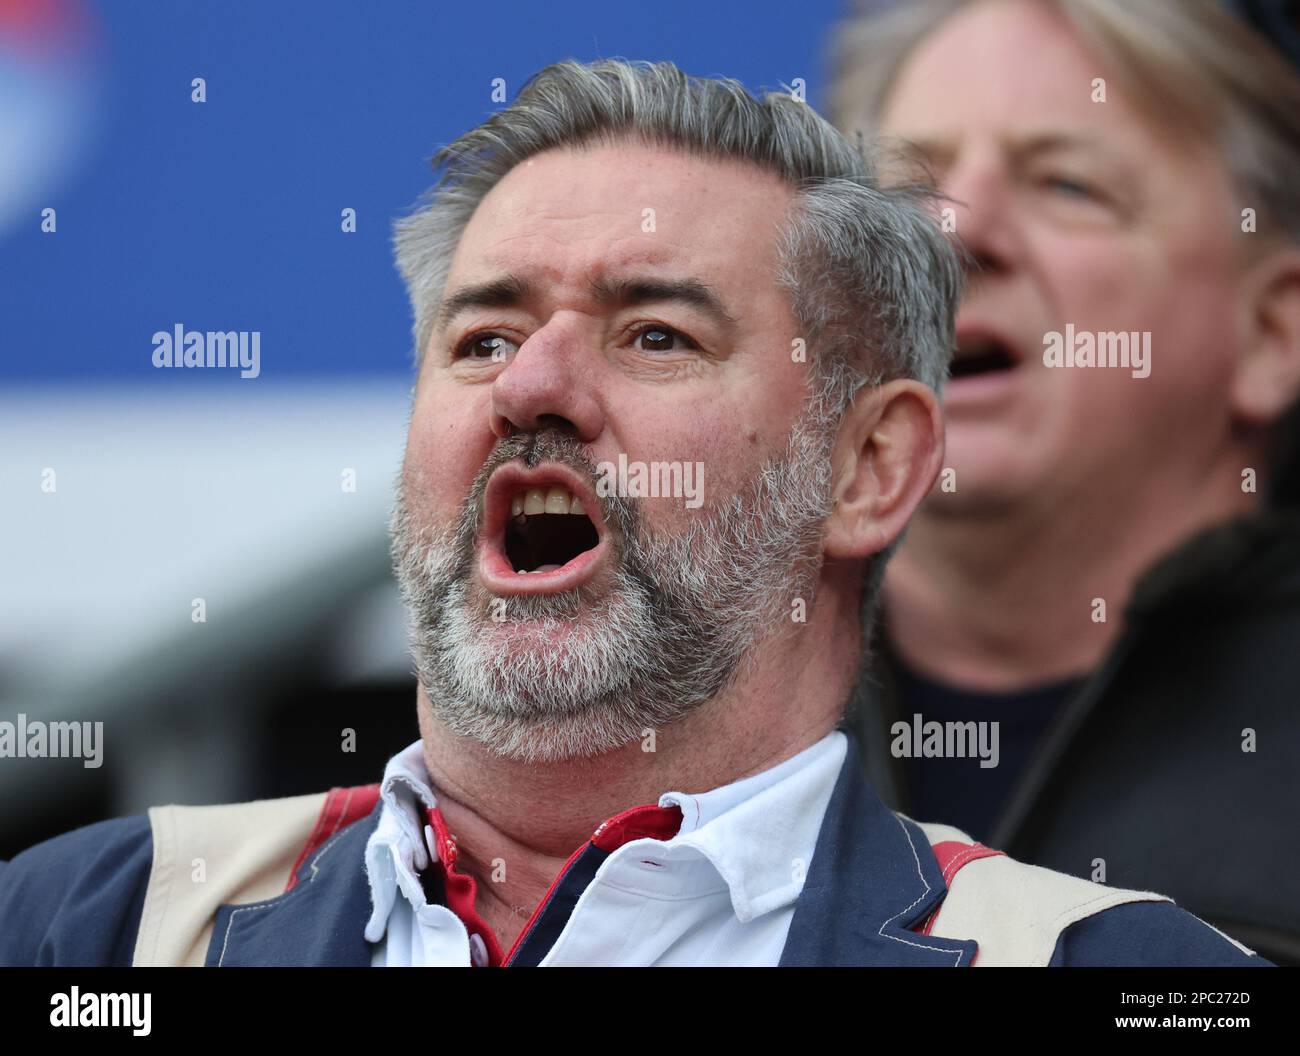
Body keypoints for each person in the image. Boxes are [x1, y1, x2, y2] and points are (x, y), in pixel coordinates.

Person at [0, 58, 1269, 967]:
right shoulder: (93, 927)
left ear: (870, 467)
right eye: (483, 334)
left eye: (655, 334)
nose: (531, 387)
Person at [827, 0, 1300, 962]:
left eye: (1068, 185)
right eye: (909, 186)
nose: (954, 234)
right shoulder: (636, 722)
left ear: (1272, 332)